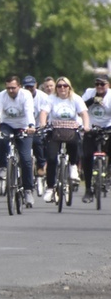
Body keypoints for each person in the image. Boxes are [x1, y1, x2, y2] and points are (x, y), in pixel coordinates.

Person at [38, 76, 90, 203]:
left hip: (71, 129)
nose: (62, 88)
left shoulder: (76, 98)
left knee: (75, 144)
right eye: (59, 86)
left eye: (65, 86)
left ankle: (73, 166)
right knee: (51, 158)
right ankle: (50, 188)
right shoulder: (51, 99)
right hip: (55, 130)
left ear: (69, 87)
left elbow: (84, 114)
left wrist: (86, 126)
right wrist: (43, 124)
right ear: (56, 88)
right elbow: (44, 112)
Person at [0, 75, 37, 206]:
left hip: (24, 126)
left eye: (13, 88)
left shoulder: (26, 95)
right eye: (8, 88)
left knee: (26, 159)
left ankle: (28, 190)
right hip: (7, 125)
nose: (10, 91)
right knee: (2, 139)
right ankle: (3, 166)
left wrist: (31, 126)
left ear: (19, 87)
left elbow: (29, 111)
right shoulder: (1, 96)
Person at [80, 74, 111, 202]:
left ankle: (109, 173)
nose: (99, 87)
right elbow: (80, 108)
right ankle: (88, 189)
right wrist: (92, 100)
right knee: (86, 156)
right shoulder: (89, 93)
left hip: (108, 127)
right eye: (97, 84)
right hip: (91, 127)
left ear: (108, 85)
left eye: (102, 84)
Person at [21, 75, 49, 178]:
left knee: (37, 142)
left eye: (31, 87)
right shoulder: (20, 96)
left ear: (36, 85)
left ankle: (41, 165)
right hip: (22, 126)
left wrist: (44, 125)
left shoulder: (43, 97)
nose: (29, 90)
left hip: (38, 126)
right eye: (26, 87)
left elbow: (47, 113)